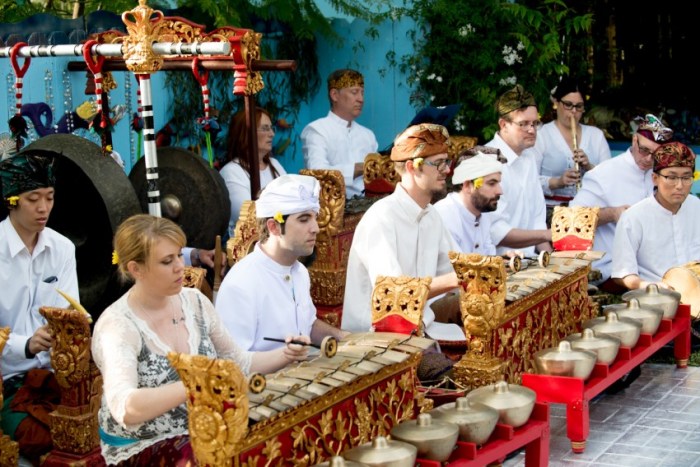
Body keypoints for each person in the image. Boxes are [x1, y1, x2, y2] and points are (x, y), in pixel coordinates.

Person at [92, 214, 310, 465]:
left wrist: (286, 353)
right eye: (166, 261)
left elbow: (239, 362)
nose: (179, 267)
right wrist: (196, 383)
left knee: (278, 433)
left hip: (206, 428)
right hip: (144, 445)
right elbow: (125, 408)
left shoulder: (194, 301)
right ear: (135, 269)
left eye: (177, 256)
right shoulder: (117, 325)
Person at [342, 123, 463, 341]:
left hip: (421, 330)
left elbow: (456, 266)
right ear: (411, 167)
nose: (447, 170)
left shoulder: (431, 215)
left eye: (447, 162)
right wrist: (460, 278)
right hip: (378, 341)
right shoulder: (381, 218)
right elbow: (396, 297)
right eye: (438, 163)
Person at [0, 150, 78, 464]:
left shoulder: (62, 248)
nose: (43, 207)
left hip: (53, 376)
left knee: (101, 425)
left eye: (49, 197)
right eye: (33, 198)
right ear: (12, 200)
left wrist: (67, 332)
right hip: (7, 383)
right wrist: (26, 345)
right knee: (43, 441)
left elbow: (71, 313)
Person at [216, 174, 347, 351]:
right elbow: (233, 362)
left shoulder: (299, 271)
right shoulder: (240, 284)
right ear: (274, 227)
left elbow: (307, 325)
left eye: (315, 217)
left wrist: (345, 338)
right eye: (304, 219)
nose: (315, 228)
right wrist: (283, 358)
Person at [570, 114, 673, 288]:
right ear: (634, 140)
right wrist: (612, 214)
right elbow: (572, 219)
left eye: (656, 154)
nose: (649, 159)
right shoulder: (604, 173)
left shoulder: (661, 172)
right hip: (612, 271)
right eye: (644, 150)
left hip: (651, 267)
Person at [611, 141, 700, 290]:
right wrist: (653, 287)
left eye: (686, 178)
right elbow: (623, 273)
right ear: (655, 179)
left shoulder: (697, 207)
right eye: (671, 177)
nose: (679, 185)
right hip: (657, 299)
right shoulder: (633, 217)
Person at [485, 84, 553, 256]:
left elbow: (537, 218)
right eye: (523, 124)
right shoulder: (487, 160)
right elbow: (496, 231)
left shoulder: (529, 157)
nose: (531, 130)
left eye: (535, 123)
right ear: (503, 124)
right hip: (498, 264)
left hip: (531, 261)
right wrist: (549, 234)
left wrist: (551, 259)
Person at [535, 77, 611, 208]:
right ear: (556, 103)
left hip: (589, 212)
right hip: (551, 211)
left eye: (579, 106)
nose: (574, 111)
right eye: (568, 105)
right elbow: (530, 180)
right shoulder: (541, 136)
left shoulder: (596, 136)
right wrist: (558, 182)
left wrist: (589, 167)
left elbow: (610, 179)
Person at [301, 69, 378, 198]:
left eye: (362, 93)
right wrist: (359, 168)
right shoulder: (317, 130)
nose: (361, 99)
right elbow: (317, 171)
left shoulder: (368, 135)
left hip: (368, 204)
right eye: (354, 92)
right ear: (335, 95)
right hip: (332, 208)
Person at [220, 107, 286, 238]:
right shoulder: (231, 171)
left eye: (271, 128)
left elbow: (293, 200)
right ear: (246, 133)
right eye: (265, 128)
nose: (272, 133)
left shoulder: (275, 165)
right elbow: (250, 215)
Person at [434, 147, 504, 255]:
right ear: (467, 186)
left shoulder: (483, 214)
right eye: (491, 184)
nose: (500, 191)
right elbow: (456, 268)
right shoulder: (445, 215)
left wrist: (503, 262)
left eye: (498, 183)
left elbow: (488, 258)